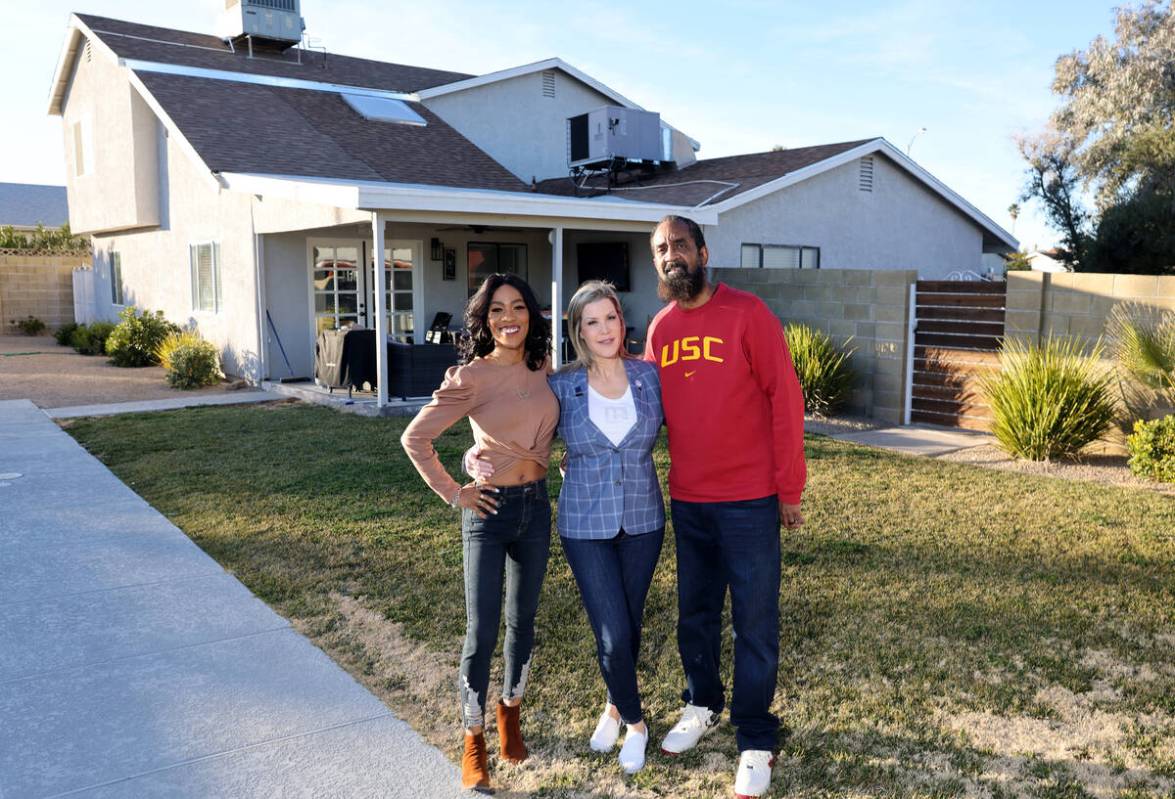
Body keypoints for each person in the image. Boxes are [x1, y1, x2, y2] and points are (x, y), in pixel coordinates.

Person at [467, 281, 665, 775]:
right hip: (584, 524)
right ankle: (639, 725)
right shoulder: (562, 384)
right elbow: (520, 428)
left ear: (623, 321)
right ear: (578, 330)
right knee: (613, 633)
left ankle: (614, 707)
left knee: (630, 624)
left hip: (643, 519)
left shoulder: (651, 377)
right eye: (591, 321)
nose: (604, 330)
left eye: (611, 318)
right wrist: (476, 452)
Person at [643, 215, 806, 799]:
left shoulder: (747, 314)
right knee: (696, 614)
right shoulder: (660, 329)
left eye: (680, 245)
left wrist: (790, 488)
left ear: (703, 251)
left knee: (755, 620)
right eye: (661, 249)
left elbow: (785, 397)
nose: (671, 256)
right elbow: (645, 413)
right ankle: (702, 702)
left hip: (750, 500)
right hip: (690, 499)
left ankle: (756, 736)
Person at [401, 273, 558, 793]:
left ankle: (509, 712)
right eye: (496, 310)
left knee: (524, 623)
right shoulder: (469, 377)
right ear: (484, 319)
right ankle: (473, 739)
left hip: (536, 511)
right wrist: (455, 491)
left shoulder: (544, 367)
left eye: (517, 307)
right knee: (482, 631)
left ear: (531, 314)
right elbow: (416, 438)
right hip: (488, 513)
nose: (508, 317)